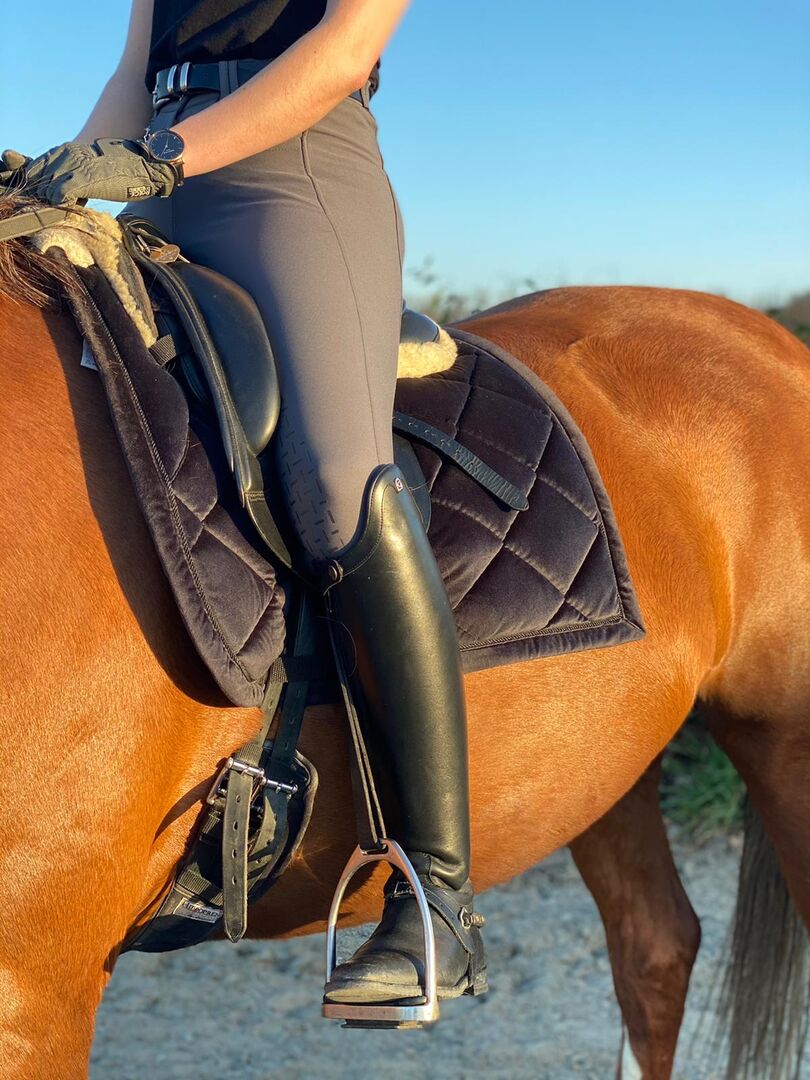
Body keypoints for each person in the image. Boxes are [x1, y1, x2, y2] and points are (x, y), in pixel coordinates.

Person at [9, 0, 487, 1008]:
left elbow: (345, 48)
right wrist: (71, 172)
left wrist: (158, 159)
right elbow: (136, 69)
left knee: (337, 484)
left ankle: (437, 897)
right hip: (157, 186)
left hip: (293, 173)